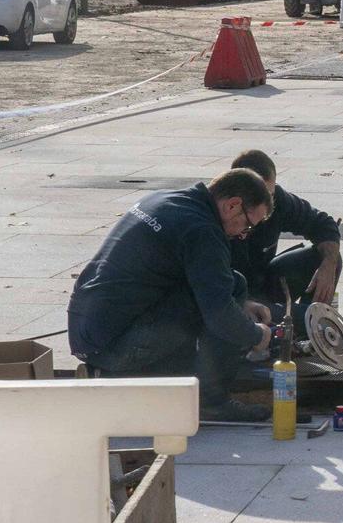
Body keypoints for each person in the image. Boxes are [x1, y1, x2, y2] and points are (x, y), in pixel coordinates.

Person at [68, 168, 277, 422]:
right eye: (248, 225)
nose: (243, 235)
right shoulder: (203, 231)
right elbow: (219, 314)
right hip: (113, 345)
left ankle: (131, 376)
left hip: (87, 331)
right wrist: (256, 335)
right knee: (217, 308)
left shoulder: (166, 199)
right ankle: (211, 402)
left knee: (233, 284)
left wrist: (242, 305)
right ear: (232, 205)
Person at [228, 149, 343, 311]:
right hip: (230, 293)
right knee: (294, 317)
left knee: (328, 255)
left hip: (264, 281)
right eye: (257, 197)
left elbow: (322, 224)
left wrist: (329, 265)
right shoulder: (217, 218)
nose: (265, 204)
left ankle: (311, 318)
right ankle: (304, 319)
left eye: (269, 195)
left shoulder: (277, 202)